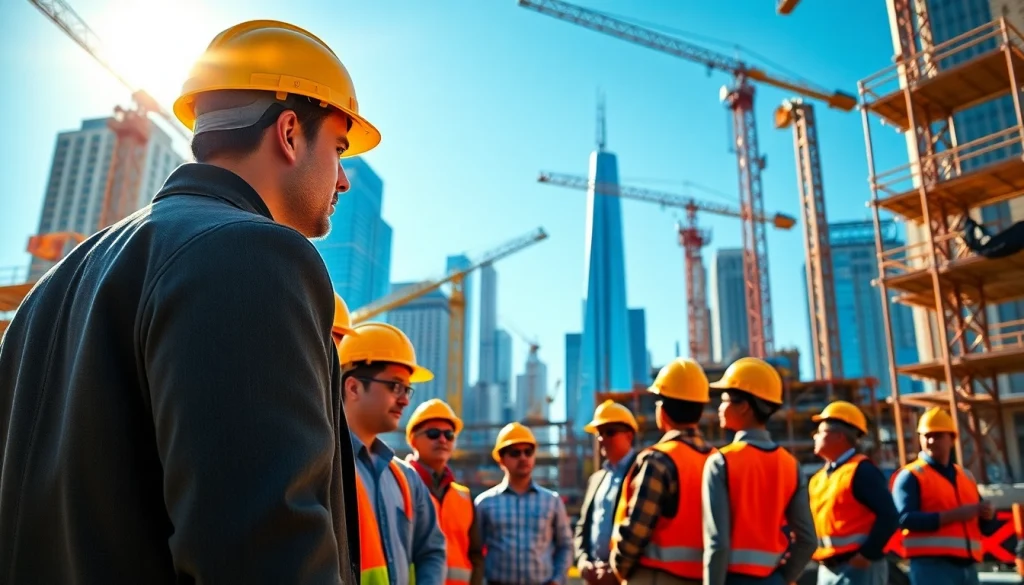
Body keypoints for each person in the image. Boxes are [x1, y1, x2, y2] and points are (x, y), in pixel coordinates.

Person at [0, 19, 376, 584]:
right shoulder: (255, 255)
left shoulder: (46, 294)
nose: (343, 180)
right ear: (290, 131)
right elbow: (264, 555)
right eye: (339, 149)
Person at [338, 321, 447, 585]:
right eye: (395, 386)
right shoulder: (323, 467)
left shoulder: (406, 479)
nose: (405, 399)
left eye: (407, 389)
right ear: (353, 388)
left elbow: (432, 550)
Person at [702, 357, 816, 585]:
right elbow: (808, 540)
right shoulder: (789, 464)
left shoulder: (721, 461)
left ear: (744, 406)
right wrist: (784, 578)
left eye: (724, 400)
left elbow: (718, 544)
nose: (720, 407)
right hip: (773, 579)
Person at [610, 357, 716, 585]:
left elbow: (636, 531)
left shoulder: (657, 460)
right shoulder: (718, 460)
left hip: (656, 577)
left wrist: (618, 567)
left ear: (663, 409)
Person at [891, 407, 1000, 585]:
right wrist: (954, 516)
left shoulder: (965, 476)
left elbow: (985, 526)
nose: (931, 441)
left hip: (967, 568)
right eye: (927, 436)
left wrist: (988, 515)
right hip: (931, 568)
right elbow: (904, 518)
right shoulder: (911, 475)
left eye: (938, 435)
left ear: (952, 439)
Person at [808, 401, 898, 585]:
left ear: (839, 436)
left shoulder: (862, 471)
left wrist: (867, 555)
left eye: (820, 431)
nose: (814, 436)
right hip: (827, 568)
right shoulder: (818, 479)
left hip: (858, 568)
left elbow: (889, 516)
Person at [475, 422, 574, 585]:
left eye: (528, 452)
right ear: (501, 459)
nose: (523, 457)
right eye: (515, 453)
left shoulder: (552, 501)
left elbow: (566, 546)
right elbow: (475, 552)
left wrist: (557, 580)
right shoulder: (484, 504)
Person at [405, 398, 485, 585]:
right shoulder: (398, 485)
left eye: (449, 435)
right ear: (413, 440)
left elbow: (475, 555)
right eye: (433, 433)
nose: (442, 439)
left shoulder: (464, 497)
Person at [575, 400, 639, 584]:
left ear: (629, 435)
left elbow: (641, 530)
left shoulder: (642, 472)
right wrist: (582, 560)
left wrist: (615, 569)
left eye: (610, 432)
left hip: (626, 578)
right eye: (599, 433)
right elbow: (582, 526)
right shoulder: (596, 479)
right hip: (595, 578)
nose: (602, 438)